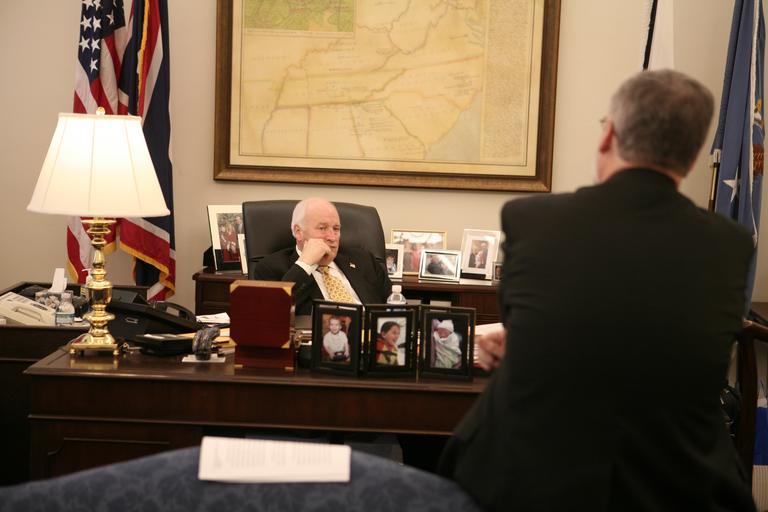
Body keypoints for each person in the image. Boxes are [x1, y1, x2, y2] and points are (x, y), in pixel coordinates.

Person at [438, 70, 757, 511]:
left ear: (608, 135)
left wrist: (526, 344)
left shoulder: (531, 219)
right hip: (676, 486)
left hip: (528, 482)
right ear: (693, 154)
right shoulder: (731, 244)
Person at [249, 198, 391, 315]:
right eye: (322, 228)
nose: (332, 237)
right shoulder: (271, 268)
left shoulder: (363, 259)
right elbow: (272, 313)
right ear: (298, 232)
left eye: (336, 229)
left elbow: (394, 305)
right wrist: (305, 263)